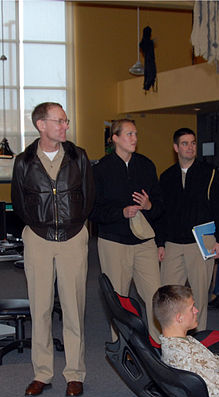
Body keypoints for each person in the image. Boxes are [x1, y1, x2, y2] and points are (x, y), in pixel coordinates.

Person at [11, 102, 94, 397]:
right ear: (41, 125)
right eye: (58, 121)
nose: (64, 126)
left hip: (73, 236)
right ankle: (42, 373)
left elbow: (88, 197)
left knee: (74, 308)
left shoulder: (78, 156)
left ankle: (75, 373)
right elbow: (19, 202)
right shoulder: (23, 161)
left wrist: (74, 223)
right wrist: (39, 225)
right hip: (38, 237)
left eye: (66, 121)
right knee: (41, 307)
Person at [91, 118, 163, 340]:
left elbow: (160, 207)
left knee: (155, 295)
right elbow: (93, 211)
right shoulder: (101, 169)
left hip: (144, 243)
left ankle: (161, 348)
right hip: (114, 242)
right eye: (129, 134)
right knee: (118, 298)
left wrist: (148, 206)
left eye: (136, 134)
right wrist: (120, 213)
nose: (134, 139)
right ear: (115, 138)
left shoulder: (146, 165)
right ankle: (121, 347)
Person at [157, 127, 219, 331]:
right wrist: (160, 243)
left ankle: (199, 345)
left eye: (192, 143)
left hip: (200, 245)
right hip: (172, 244)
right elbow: (162, 214)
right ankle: (172, 344)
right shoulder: (166, 177)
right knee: (169, 297)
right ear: (175, 148)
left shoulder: (210, 173)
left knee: (198, 299)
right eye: (184, 143)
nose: (190, 147)